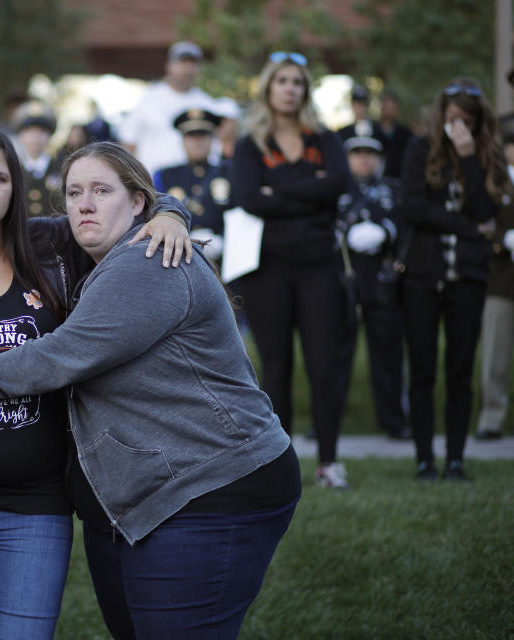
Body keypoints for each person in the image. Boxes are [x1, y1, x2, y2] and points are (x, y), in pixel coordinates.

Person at [0, 141, 300, 640]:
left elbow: (63, 354)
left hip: (210, 489)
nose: (85, 204)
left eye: (100, 190)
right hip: (154, 494)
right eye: (74, 193)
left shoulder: (148, 260)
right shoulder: (89, 250)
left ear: (137, 203)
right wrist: (172, 210)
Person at [0, 129, 193, 639]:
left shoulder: (53, 246)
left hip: (37, 503)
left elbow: (140, 198)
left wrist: (169, 215)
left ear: (15, 187)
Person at [231, 52, 350, 488]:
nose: (289, 88)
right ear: (268, 88)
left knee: (323, 367)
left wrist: (278, 188)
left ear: (305, 90)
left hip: (319, 266)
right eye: (281, 80)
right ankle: (280, 468)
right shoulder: (250, 145)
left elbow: (340, 183)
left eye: (297, 82)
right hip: (268, 270)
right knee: (275, 367)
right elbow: (249, 198)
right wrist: (311, 191)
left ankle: (329, 462)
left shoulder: (326, 139)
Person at [400, 78, 510, 480]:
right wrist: (466, 228)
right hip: (421, 278)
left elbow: (486, 214)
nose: (456, 127)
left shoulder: (486, 156)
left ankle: (457, 459)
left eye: (465, 120)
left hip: (467, 277)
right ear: (440, 115)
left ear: (477, 123)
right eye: (451, 118)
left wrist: (467, 158)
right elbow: (412, 208)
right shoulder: (418, 150)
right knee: (423, 370)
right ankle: (425, 459)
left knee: (460, 371)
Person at [335, 135, 410, 440]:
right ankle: (328, 420)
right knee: (335, 355)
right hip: (345, 281)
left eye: (370, 153)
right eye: (357, 153)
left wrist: (386, 231)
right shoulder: (335, 189)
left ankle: (394, 421)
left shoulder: (393, 190)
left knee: (389, 354)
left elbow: (405, 224)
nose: (364, 159)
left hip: (382, 282)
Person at [119, 41, 214, 175]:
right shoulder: (149, 99)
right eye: (182, 62)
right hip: (153, 184)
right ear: (169, 66)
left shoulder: (205, 102)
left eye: (192, 63)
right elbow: (129, 142)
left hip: (195, 184)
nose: (187, 69)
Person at [475, 131, 514, 441]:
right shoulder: (494, 184)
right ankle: (492, 417)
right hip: (502, 281)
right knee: (495, 356)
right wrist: (504, 240)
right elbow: (481, 225)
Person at [154, 108, 229, 263]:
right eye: (191, 136)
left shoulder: (229, 172)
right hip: (178, 257)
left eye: (203, 136)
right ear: (183, 140)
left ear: (212, 139)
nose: (197, 142)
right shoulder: (165, 175)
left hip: (226, 258)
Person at [11, 100, 63, 217]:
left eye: (42, 131)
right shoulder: (12, 169)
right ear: (20, 136)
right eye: (29, 131)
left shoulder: (62, 167)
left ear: (50, 135)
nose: (35, 137)